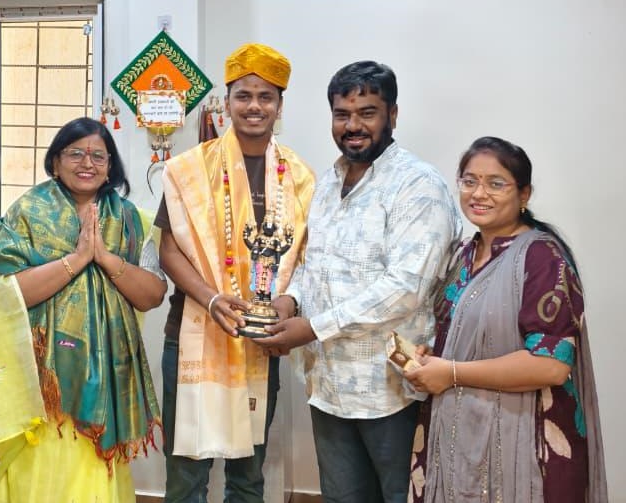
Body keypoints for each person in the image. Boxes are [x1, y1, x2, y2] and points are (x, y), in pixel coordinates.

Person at [253, 61, 461, 502]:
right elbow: (313, 262)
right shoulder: (328, 183)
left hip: (391, 387)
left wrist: (313, 327)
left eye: (367, 113)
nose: (353, 126)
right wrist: (290, 300)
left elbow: (405, 288)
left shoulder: (418, 185)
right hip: (329, 384)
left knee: (402, 495)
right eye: (342, 114)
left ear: (393, 115)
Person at [0, 117, 166, 503]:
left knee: (92, 473)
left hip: (106, 377)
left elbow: (152, 295)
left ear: (110, 167)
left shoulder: (133, 221)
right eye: (75, 153)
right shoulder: (27, 214)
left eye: (98, 156)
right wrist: (77, 259)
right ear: (55, 162)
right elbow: (5, 295)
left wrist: (104, 257)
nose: (87, 163)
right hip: (39, 378)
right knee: (41, 471)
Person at [404, 137, 607, 502]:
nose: (479, 193)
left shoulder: (542, 258)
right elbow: (462, 339)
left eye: (496, 183)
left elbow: (550, 366)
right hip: (458, 433)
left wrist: (451, 372)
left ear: (524, 194)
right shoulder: (463, 254)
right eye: (469, 181)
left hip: (525, 443)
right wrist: (430, 358)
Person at [156, 43, 315, 502]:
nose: (254, 106)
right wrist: (210, 299)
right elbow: (169, 249)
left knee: (248, 474)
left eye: (266, 97)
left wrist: (288, 303)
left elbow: (308, 258)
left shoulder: (300, 178)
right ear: (226, 102)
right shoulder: (190, 169)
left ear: (280, 106)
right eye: (243, 95)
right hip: (193, 332)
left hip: (261, 340)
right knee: (187, 472)